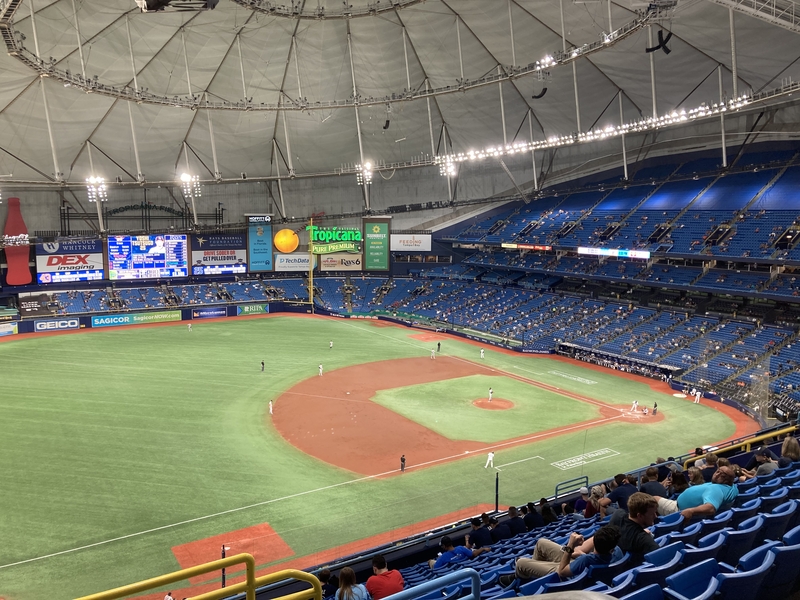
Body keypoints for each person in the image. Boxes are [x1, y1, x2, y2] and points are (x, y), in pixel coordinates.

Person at [501, 525, 622, 584]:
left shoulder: (586, 559)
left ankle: (522, 579)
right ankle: (535, 574)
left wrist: (570, 546)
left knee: (521, 563)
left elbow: (562, 571)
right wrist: (578, 554)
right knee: (541, 543)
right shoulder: (617, 552)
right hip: (580, 567)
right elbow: (593, 558)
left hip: (568, 575)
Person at [656, 465, 738, 519]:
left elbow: (710, 508)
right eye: (717, 471)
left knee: (653, 499)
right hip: (682, 507)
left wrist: (691, 511)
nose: (716, 474)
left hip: (677, 510)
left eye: (722, 475)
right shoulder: (732, 487)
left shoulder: (715, 489)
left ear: (726, 480)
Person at [609, 492, 659, 564]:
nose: (655, 516)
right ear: (640, 516)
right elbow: (661, 558)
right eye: (652, 514)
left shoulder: (617, 514)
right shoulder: (643, 538)